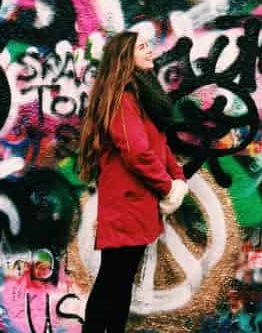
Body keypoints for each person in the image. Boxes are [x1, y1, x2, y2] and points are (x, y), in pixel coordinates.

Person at [77, 31, 188, 333]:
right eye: (142, 47)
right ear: (126, 58)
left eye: (148, 45)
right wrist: (167, 188)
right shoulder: (123, 98)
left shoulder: (139, 95)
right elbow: (137, 151)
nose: (150, 51)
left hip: (137, 203)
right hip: (127, 203)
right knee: (113, 280)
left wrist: (177, 177)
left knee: (119, 280)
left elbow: (157, 144)